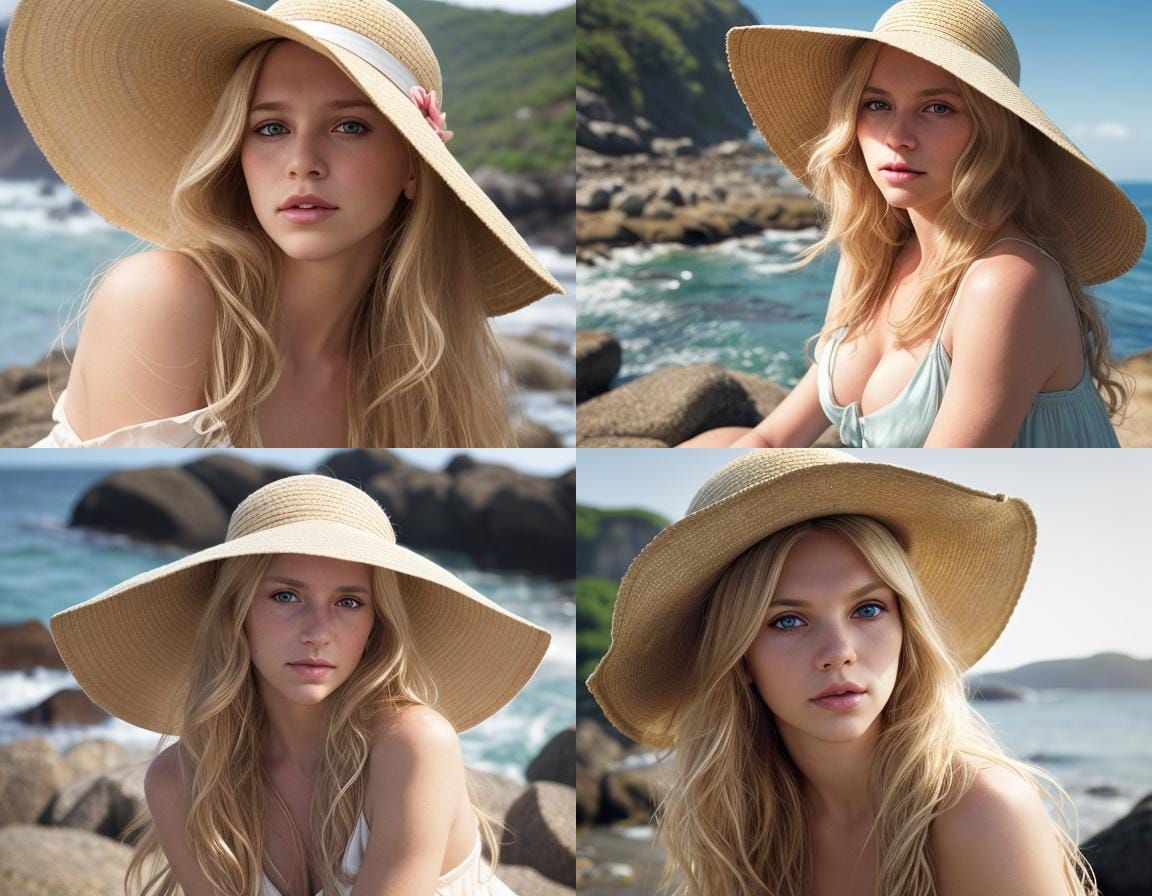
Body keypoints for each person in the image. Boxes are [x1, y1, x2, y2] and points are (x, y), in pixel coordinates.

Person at [3, 0, 563, 448]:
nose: (302, 162)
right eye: (271, 128)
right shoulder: (163, 297)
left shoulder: (429, 373)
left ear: (413, 167)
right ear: (237, 153)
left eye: (349, 126)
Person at [588, 450, 1096, 895]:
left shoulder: (981, 812)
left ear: (907, 628)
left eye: (868, 609)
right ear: (739, 659)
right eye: (787, 621)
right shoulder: (740, 829)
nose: (838, 653)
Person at [50, 475, 550, 895]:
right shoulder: (180, 783)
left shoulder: (413, 745)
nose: (317, 632)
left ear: (376, 625)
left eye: (349, 602)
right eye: (286, 596)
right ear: (237, 613)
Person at [680, 0, 1144, 447]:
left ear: (993, 133)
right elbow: (773, 436)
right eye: (877, 104)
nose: (897, 137)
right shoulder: (871, 256)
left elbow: (941, 483)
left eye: (937, 107)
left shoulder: (1006, 282)